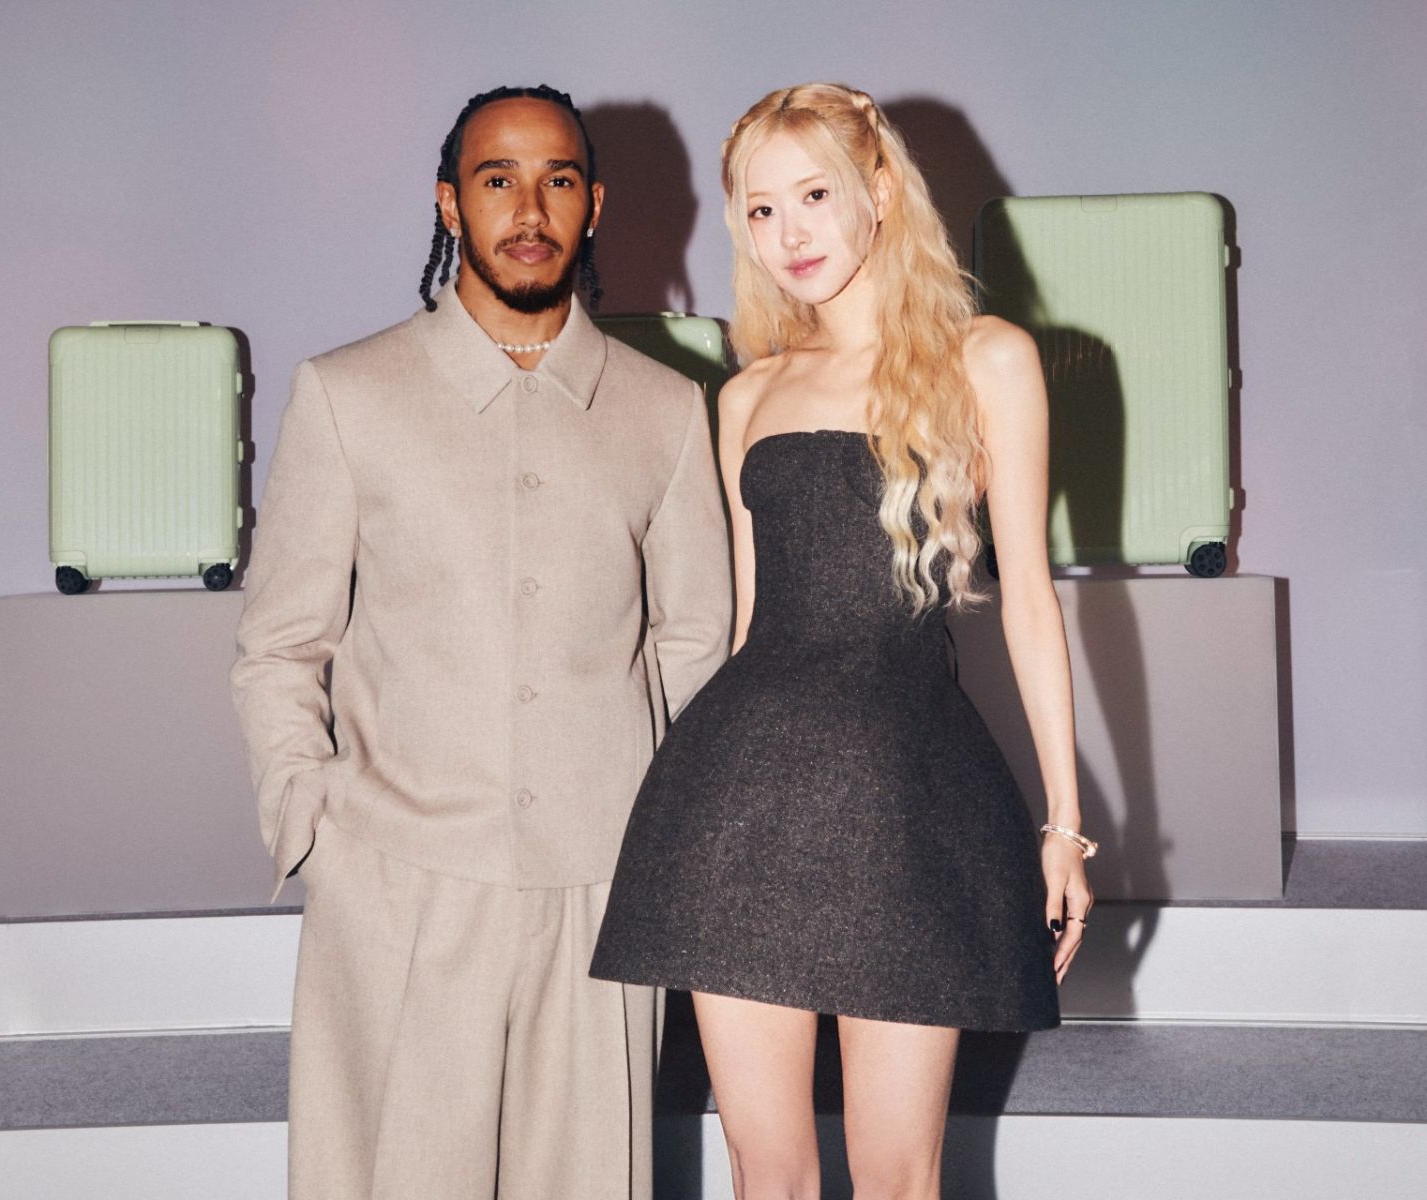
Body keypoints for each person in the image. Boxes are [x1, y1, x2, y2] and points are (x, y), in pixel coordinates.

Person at [590, 83, 1094, 1199]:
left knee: (899, 1176)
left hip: (907, 804)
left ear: (879, 190)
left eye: (814, 196)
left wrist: (1064, 824)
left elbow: (1028, 601)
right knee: (765, 1172)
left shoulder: (987, 359)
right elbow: (748, 626)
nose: (789, 234)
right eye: (760, 211)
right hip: (739, 806)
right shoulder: (748, 395)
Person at [231, 84, 732, 1199]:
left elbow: (695, 639)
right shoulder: (348, 394)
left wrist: (640, 813)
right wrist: (312, 821)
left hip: (599, 889)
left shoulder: (663, 408)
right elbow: (281, 644)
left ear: (594, 205)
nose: (529, 210)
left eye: (558, 180)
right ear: (450, 204)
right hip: (398, 879)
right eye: (497, 179)